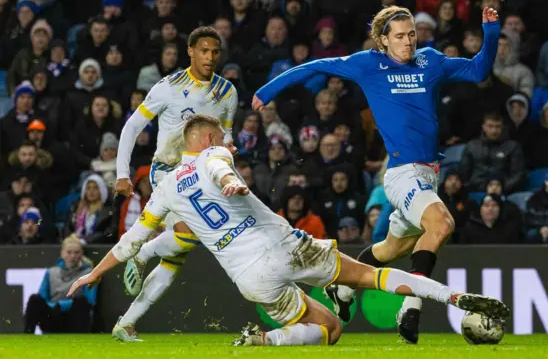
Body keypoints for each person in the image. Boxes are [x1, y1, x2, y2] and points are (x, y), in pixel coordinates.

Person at [67, 115, 510, 345]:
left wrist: (94, 273)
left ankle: (267, 339)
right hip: (283, 246)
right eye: (223, 134)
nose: (230, 140)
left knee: (331, 330)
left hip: (249, 279)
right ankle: (450, 297)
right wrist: (230, 180)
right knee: (367, 275)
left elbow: (130, 243)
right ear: (202, 140)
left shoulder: (163, 190)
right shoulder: (212, 157)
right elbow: (222, 168)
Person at [252, 5, 500, 344]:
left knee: (390, 248)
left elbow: (478, 70)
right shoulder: (368, 64)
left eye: (411, 34)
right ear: (383, 40)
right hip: (401, 174)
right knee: (441, 224)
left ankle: (343, 289)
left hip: (429, 174)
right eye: (399, 36)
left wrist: (491, 31)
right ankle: (411, 307)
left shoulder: (430, 61)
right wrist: (267, 92)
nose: (408, 42)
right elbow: (317, 65)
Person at [112, 26, 238, 337]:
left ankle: (126, 324)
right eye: (204, 51)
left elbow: (227, 137)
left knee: (176, 254)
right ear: (191, 52)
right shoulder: (168, 87)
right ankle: (141, 254)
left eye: (215, 52)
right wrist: (122, 173)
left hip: (202, 178)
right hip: (168, 171)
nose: (210, 57)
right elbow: (131, 127)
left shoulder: (228, 93)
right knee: (190, 234)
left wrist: (229, 153)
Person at [24, 235, 96, 333]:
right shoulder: (51, 272)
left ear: (81, 254)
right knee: (34, 299)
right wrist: (55, 307)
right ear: (62, 253)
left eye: (76, 252)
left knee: (81, 301)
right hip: (52, 316)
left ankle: (80, 338)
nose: (73, 256)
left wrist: (62, 305)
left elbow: (90, 301)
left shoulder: (89, 273)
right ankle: (27, 337)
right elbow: (42, 296)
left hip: (73, 316)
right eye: (69, 252)